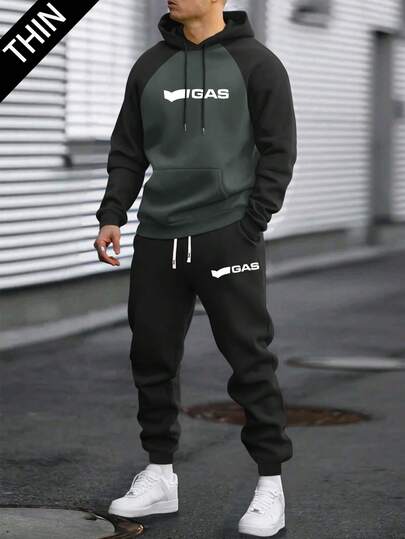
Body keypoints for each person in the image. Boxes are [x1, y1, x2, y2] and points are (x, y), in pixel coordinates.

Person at [94, 0, 297, 536]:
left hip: (228, 234)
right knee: (152, 357)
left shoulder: (258, 64)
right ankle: (160, 475)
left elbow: (279, 150)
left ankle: (270, 486)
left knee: (249, 359)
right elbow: (128, 150)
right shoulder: (150, 66)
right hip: (158, 236)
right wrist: (112, 214)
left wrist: (253, 221)